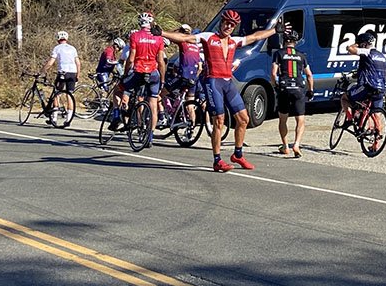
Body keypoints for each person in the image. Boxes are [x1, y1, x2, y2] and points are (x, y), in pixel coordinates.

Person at [161, 9, 285, 172]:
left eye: (232, 25)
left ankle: (238, 155)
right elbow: (185, 38)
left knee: (243, 119)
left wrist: (274, 30)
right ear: (221, 22)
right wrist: (162, 33)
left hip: (227, 82)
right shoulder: (208, 37)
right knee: (219, 120)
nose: (228, 27)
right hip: (213, 81)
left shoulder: (234, 41)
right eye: (226, 23)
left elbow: (255, 37)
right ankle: (217, 160)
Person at [117, 12, 166, 145]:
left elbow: (130, 59)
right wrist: (162, 79)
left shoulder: (135, 36)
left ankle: (122, 113)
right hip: (154, 72)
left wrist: (125, 74)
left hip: (139, 71)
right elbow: (161, 61)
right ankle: (150, 135)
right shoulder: (159, 38)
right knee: (153, 104)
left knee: (123, 88)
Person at [340, 30, 386, 151]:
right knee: (376, 115)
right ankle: (376, 144)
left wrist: (356, 44)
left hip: (368, 87)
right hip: (381, 88)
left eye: (361, 44)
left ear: (364, 44)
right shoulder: (382, 56)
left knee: (345, 98)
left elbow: (350, 49)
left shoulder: (367, 52)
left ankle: (349, 119)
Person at [271, 30, 314, 158]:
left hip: (284, 88)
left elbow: (273, 73)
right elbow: (309, 75)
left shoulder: (278, 53)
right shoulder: (301, 55)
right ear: (296, 42)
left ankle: (285, 146)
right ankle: (296, 144)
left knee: (283, 119)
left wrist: (275, 85)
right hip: (298, 89)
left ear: (284, 41)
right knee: (300, 119)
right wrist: (311, 90)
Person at [41, 30, 81, 126]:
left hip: (62, 73)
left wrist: (43, 71)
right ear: (67, 39)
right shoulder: (73, 48)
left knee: (57, 93)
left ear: (58, 39)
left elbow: (51, 62)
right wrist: (77, 76)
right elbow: (78, 63)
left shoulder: (57, 48)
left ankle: (54, 118)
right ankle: (68, 119)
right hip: (72, 73)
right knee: (69, 95)